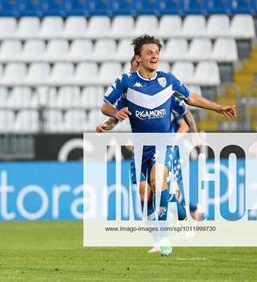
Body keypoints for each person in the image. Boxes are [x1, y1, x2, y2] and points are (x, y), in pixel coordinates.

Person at [101, 35, 236, 251]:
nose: (154, 56)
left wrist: (218, 108)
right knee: (145, 193)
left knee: (158, 179)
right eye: (149, 52)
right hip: (140, 149)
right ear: (138, 58)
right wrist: (111, 119)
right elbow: (106, 106)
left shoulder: (167, 80)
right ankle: (182, 215)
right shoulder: (125, 82)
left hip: (165, 144)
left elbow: (190, 99)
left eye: (157, 52)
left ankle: (163, 237)